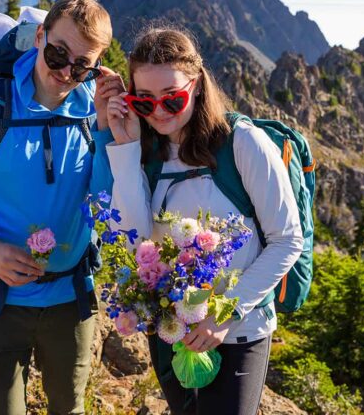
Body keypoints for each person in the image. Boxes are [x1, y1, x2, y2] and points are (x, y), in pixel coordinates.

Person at [0, 0, 124, 415]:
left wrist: (109, 130)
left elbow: (104, 205)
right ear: (39, 36)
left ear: (97, 67)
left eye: (81, 66)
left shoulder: (95, 118)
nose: (64, 72)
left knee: (68, 408)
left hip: (71, 298)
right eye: (57, 53)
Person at [104, 27, 304, 415]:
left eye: (171, 98)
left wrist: (223, 313)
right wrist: (126, 148)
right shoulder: (147, 151)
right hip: (170, 329)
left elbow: (286, 240)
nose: (158, 112)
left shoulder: (241, 142)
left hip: (238, 329)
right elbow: (134, 240)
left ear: (196, 86)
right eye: (144, 102)